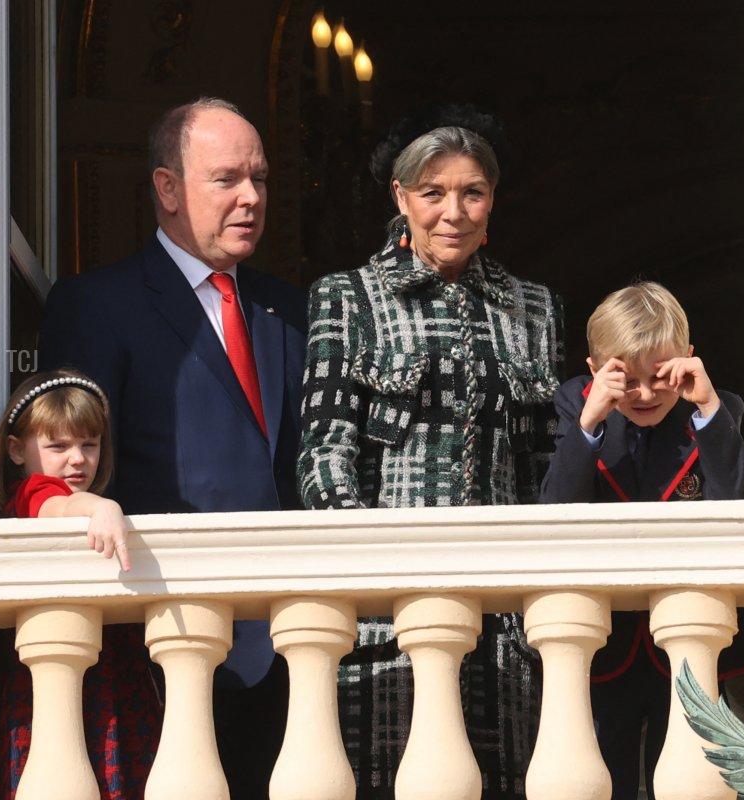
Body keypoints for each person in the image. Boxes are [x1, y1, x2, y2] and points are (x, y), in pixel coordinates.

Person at [38, 97, 306, 797]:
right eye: (227, 179)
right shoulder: (97, 304)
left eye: (260, 179)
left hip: (290, 642)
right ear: (167, 188)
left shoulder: (289, 310)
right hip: (161, 634)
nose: (251, 197)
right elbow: (65, 462)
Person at [298, 117, 564, 798]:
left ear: (492, 200)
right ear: (401, 197)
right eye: (433, 192)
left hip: (504, 627)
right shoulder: (347, 297)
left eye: (472, 192)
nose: (454, 211)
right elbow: (325, 456)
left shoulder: (535, 309)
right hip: (387, 621)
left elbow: (545, 473)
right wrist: (374, 576)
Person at [539, 280, 744, 800]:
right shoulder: (576, 405)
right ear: (596, 370)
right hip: (604, 640)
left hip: (688, 637)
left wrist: (708, 412)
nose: (643, 394)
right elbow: (555, 510)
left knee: (691, 776)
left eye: (659, 377)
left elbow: (738, 509)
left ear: (687, 359)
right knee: (599, 776)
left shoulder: (717, 411)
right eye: (626, 379)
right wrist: (591, 420)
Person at [0, 369, 161, 799]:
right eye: (58, 446)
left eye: (90, 444)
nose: (78, 458)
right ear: (16, 450)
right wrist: (101, 508)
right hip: (61, 670)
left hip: (108, 672)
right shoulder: (32, 491)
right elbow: (55, 505)